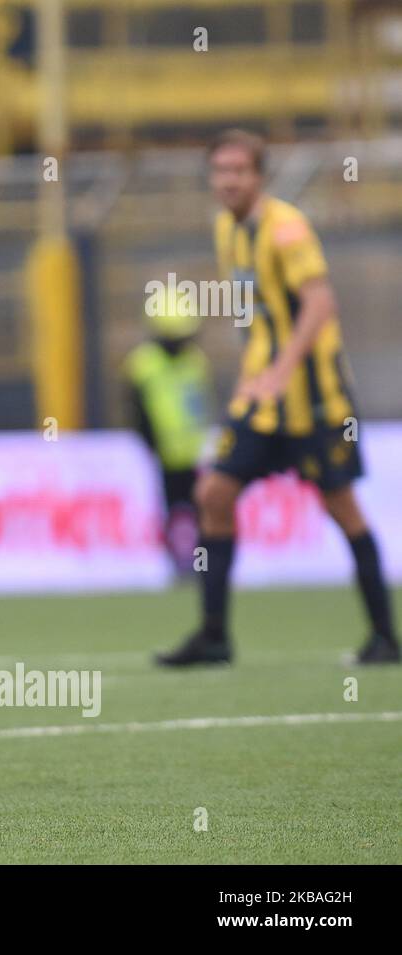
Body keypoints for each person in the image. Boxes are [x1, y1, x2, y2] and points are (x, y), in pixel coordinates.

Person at [157, 129, 397, 666]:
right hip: (262, 404)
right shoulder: (226, 229)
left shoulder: (286, 230)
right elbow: (257, 315)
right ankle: (214, 635)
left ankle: (385, 637)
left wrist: (284, 367)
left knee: (343, 509)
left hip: (316, 402)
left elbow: (319, 303)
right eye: (220, 171)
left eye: (239, 170)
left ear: (258, 176)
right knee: (214, 496)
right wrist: (253, 373)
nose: (229, 180)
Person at [124, 288, 210, 577]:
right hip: (162, 454)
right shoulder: (142, 364)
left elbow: (200, 404)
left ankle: (199, 564)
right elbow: (136, 410)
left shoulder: (195, 360)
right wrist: (149, 443)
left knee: (200, 512)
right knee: (172, 513)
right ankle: (177, 565)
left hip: (193, 452)